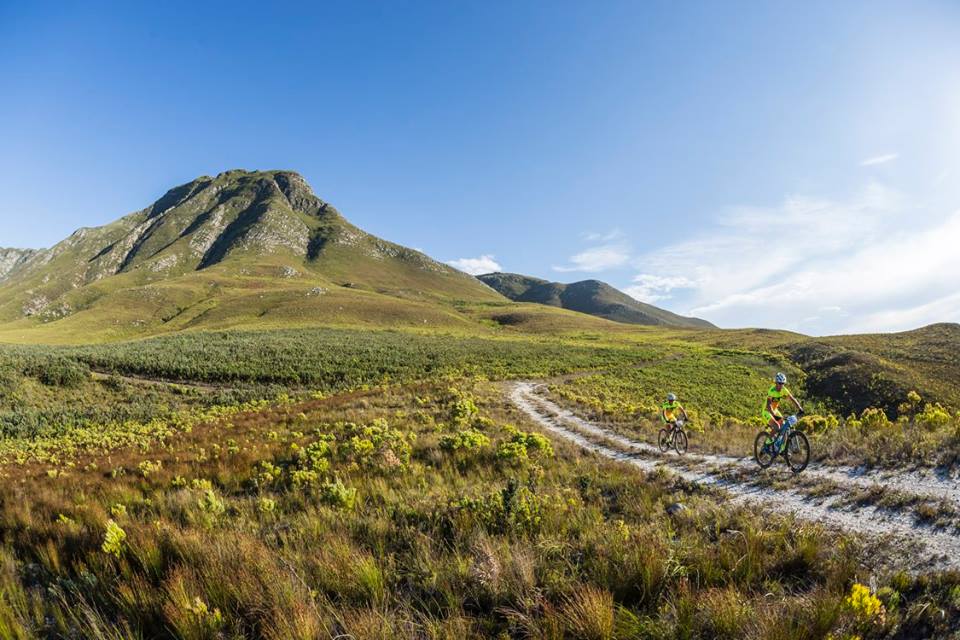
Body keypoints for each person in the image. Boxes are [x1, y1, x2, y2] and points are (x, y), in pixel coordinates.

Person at [764, 373, 803, 445]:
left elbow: (792, 399)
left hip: (775, 410)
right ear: (776, 382)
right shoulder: (771, 391)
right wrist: (774, 415)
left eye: (783, 383)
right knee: (777, 426)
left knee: (784, 426)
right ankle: (767, 443)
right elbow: (769, 406)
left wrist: (799, 408)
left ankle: (781, 447)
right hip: (767, 411)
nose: (781, 385)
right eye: (780, 383)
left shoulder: (784, 389)